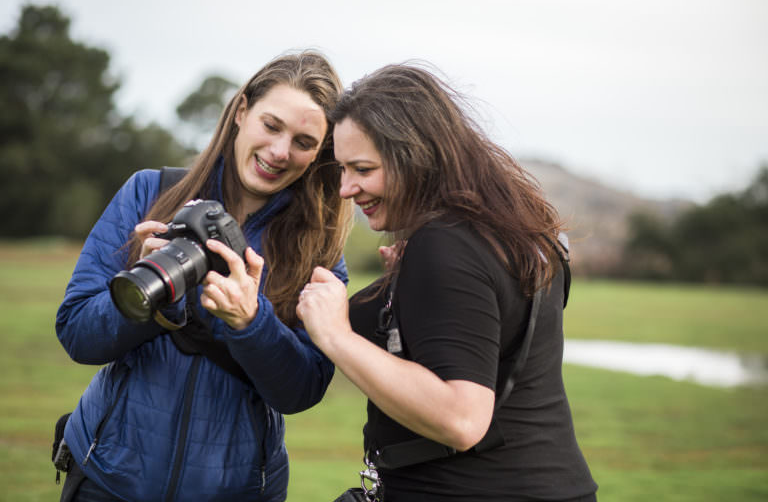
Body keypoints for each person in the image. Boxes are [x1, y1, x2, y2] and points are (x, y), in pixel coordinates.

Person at [55, 50, 352, 502]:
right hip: (108, 480)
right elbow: (78, 334)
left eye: (303, 142)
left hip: (235, 491)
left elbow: (302, 390)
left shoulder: (318, 249)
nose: (279, 152)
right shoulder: (150, 193)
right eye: (271, 126)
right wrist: (153, 297)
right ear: (241, 111)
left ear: (319, 155)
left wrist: (252, 323)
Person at [296, 64, 598, 501]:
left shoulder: (445, 245)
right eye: (342, 169)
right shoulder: (502, 229)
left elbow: (462, 419)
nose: (346, 189)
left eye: (362, 168)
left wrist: (336, 336)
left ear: (414, 155)